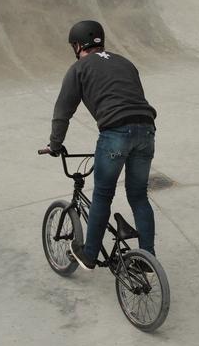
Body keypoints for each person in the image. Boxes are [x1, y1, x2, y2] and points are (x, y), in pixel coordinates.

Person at [46, 20, 158, 271]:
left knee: (103, 195)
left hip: (116, 132)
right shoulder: (125, 63)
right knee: (139, 196)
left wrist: (55, 144)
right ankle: (147, 259)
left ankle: (89, 254)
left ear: (78, 46)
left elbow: (63, 111)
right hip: (146, 129)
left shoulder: (79, 68)